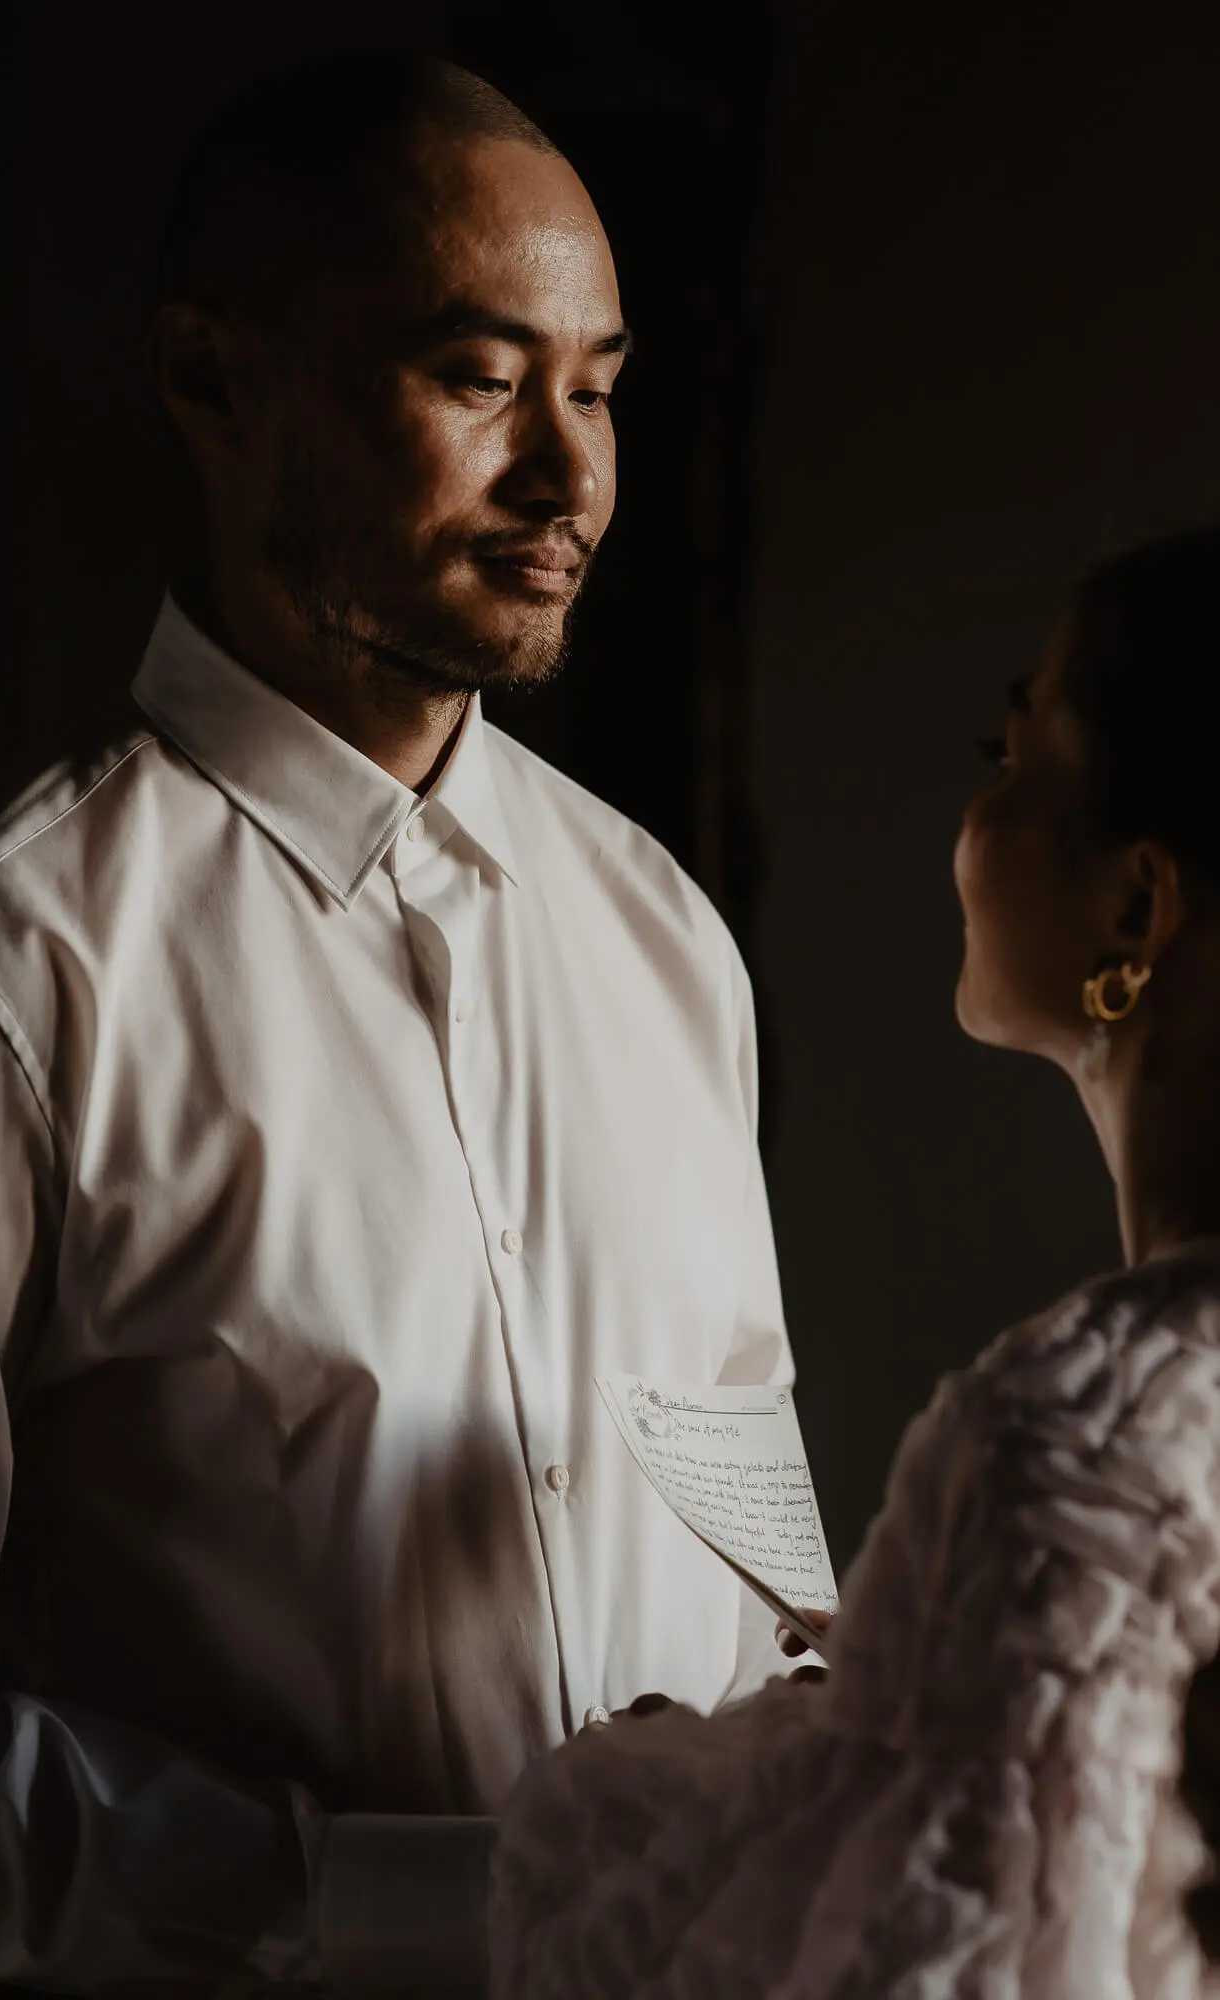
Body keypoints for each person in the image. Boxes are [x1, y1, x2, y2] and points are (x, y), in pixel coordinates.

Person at [0, 50, 794, 1999]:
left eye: (601, 387)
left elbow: (758, 1556)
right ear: (214, 383)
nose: (570, 474)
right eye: (480, 381)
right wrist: (418, 1913)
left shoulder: (669, 942)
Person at [490, 527, 1220, 2000]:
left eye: (1008, 758)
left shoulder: (1072, 1434)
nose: (969, 816)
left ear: (1135, 910)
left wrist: (618, 1785)